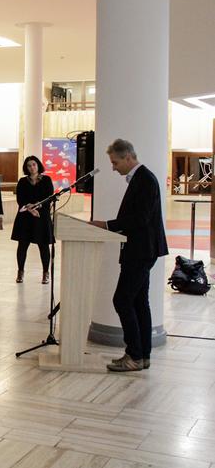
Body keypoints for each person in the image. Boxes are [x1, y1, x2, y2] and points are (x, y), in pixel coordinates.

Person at [89, 139, 168, 372]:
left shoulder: (145, 180)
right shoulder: (140, 178)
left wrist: (106, 225)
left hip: (142, 250)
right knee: (138, 301)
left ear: (128, 157)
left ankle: (134, 354)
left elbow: (140, 220)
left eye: (115, 162)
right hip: (140, 249)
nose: (113, 167)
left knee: (122, 300)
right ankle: (142, 356)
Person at [11, 156, 55, 284]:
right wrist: (30, 208)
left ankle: (46, 273)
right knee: (22, 246)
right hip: (25, 217)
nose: (32, 167)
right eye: (29, 165)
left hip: (41, 217)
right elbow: (20, 199)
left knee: (43, 246)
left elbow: (49, 197)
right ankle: (20, 272)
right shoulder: (22, 181)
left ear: (38, 165)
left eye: (34, 164)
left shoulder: (46, 180)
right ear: (26, 167)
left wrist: (38, 206)